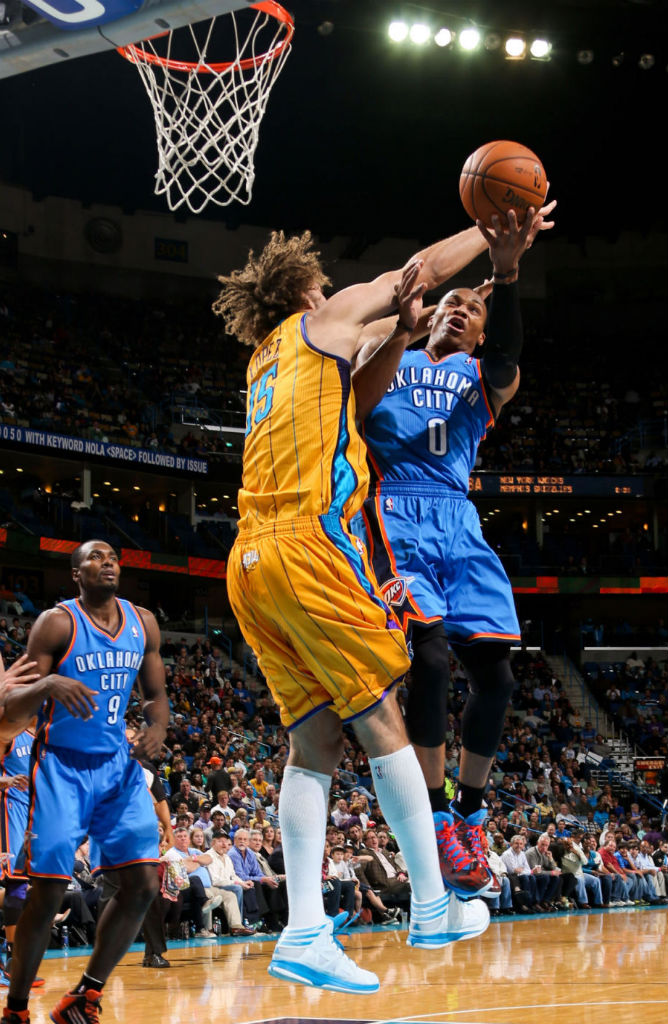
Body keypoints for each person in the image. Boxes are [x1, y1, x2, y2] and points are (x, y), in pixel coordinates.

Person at [216, 225, 496, 993]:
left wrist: (404, 330)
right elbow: (415, 272)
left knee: (314, 741)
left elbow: (358, 393)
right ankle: (434, 904)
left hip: (249, 559)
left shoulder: (269, 355)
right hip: (309, 543)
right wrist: (488, 231)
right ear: (308, 287)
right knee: (380, 719)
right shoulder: (323, 314)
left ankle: (304, 930)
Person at [350, 203, 556, 901]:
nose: (461, 310)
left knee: (496, 677)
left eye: (473, 306)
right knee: (431, 656)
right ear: (430, 315)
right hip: (397, 511)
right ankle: (434, 811)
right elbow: (350, 391)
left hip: (457, 520)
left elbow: (506, 355)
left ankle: (469, 813)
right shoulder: (391, 359)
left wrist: (505, 272)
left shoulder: (488, 378)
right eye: (451, 302)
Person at [1, 540, 169, 1024]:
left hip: (116, 767)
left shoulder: (144, 623)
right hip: (61, 766)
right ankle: (15, 1009)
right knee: (48, 889)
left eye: (113, 556)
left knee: (142, 883)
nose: (108, 562)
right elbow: (11, 709)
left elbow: (156, 695)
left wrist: (157, 729)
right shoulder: (57, 623)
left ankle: (85, 995)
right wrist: (47, 685)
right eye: (95, 557)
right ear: (76, 574)